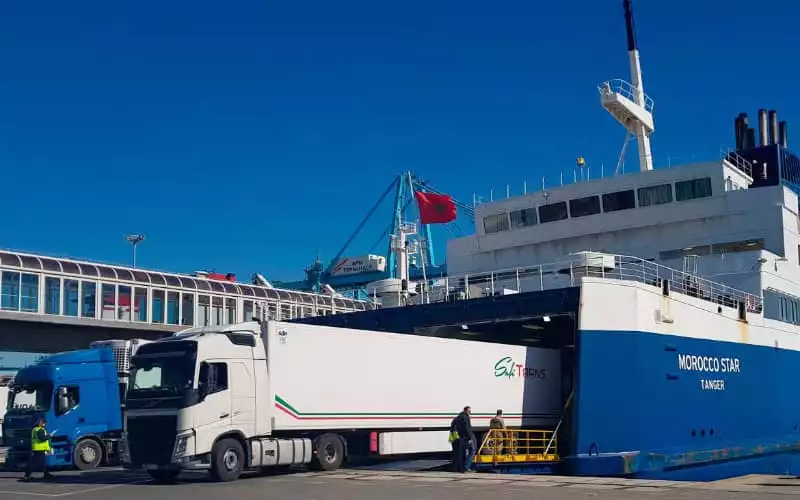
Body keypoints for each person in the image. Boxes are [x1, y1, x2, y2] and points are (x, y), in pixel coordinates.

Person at [452, 406, 476, 472]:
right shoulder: (466, 417)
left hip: (460, 437)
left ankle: (460, 467)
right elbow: (467, 428)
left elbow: (453, 426)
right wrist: (470, 438)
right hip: (466, 437)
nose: (470, 412)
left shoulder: (458, 417)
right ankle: (466, 467)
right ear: (465, 410)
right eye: (469, 411)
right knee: (472, 450)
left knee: (461, 453)